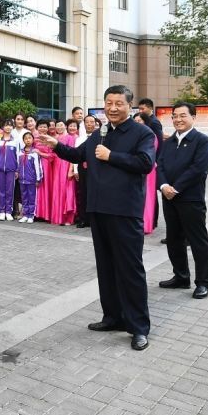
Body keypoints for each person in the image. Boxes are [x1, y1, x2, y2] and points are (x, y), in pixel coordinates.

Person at [41, 85, 155, 351]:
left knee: (130, 269)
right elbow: (79, 154)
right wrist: (57, 145)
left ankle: (139, 327)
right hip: (99, 210)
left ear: (130, 106)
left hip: (125, 211)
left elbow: (145, 163)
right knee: (106, 267)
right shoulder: (101, 132)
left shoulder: (142, 133)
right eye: (108, 103)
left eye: (119, 103)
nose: (113, 108)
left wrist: (111, 156)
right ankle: (113, 317)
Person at [156, 102, 208, 299]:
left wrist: (176, 188)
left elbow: (198, 169)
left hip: (191, 199)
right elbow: (160, 166)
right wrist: (164, 186)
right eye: (175, 116)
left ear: (193, 118)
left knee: (198, 241)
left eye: (183, 116)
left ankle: (204, 282)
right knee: (173, 239)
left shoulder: (202, 141)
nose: (178, 120)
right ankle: (181, 276)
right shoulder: (168, 142)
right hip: (169, 198)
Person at [134, 112, 161, 235]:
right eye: (135, 120)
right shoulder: (135, 134)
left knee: (147, 197)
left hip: (148, 169)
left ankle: (146, 224)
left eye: (139, 120)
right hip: (135, 168)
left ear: (145, 122)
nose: (137, 123)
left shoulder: (149, 135)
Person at [0, 122, 20, 221]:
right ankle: (2, 211)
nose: (8, 127)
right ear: (3, 127)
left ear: (12, 127)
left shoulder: (15, 142)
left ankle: (8, 211)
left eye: (10, 125)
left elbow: (18, 156)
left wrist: (17, 169)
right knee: (0, 190)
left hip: (11, 170)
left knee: (9, 191)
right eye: (6, 125)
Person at [16, 133, 43, 223]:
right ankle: (25, 214)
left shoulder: (34, 153)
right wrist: (17, 173)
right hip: (22, 179)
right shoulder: (20, 152)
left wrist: (38, 179)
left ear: (33, 140)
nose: (28, 140)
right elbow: (17, 164)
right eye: (26, 138)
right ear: (23, 140)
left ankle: (31, 215)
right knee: (24, 197)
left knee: (32, 197)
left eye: (29, 138)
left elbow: (38, 167)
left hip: (31, 179)